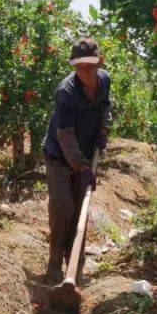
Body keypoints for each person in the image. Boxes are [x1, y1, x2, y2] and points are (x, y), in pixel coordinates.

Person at [41, 36, 111, 284]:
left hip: (86, 152)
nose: (85, 71)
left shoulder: (104, 81)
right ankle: (54, 266)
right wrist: (81, 166)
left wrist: (103, 132)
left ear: (99, 62)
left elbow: (105, 108)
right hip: (60, 157)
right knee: (63, 208)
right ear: (73, 66)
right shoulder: (66, 92)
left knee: (81, 208)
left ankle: (76, 268)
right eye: (79, 66)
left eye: (90, 65)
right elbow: (65, 135)